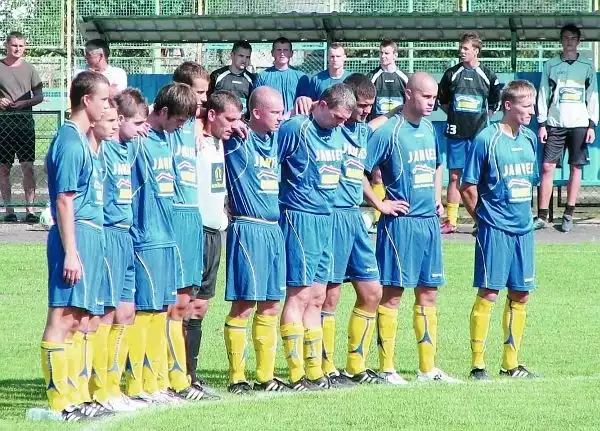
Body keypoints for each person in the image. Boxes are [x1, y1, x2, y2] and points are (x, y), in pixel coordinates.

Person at [363, 72, 460, 383]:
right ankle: (387, 368)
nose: (431, 103)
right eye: (426, 97)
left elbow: (437, 165)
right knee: (392, 295)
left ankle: (427, 369)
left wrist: (437, 198)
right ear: (408, 94)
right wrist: (380, 205)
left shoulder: (430, 129)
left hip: (428, 224)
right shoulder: (388, 131)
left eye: (434, 98)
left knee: (429, 293)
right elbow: (359, 171)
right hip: (399, 225)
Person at [126, 83, 203, 402]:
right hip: (144, 237)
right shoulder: (139, 141)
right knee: (144, 311)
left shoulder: (170, 139)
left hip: (167, 236)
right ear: (163, 112)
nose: (182, 128)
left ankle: (156, 382)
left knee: (161, 311)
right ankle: (135, 384)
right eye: (179, 121)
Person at [278, 83, 356, 391]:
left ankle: (314, 371)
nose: (340, 123)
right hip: (299, 218)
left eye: (344, 119)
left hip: (327, 219)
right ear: (321, 105)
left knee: (318, 296)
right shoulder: (296, 129)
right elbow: (272, 164)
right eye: (336, 116)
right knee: (298, 294)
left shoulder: (338, 132)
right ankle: (296, 372)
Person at [41, 71, 110, 421]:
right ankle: (58, 403)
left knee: (80, 318)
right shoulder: (69, 140)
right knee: (62, 317)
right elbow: (64, 201)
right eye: (104, 99)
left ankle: (76, 397)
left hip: (90, 235)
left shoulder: (84, 140)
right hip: (76, 235)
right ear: (86, 100)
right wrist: (71, 251)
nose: (107, 105)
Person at [460, 80, 539, 380]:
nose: (531, 111)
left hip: (523, 229)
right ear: (508, 106)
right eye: (526, 106)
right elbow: (467, 187)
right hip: (495, 230)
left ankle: (511, 364)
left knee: (521, 294)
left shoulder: (530, 139)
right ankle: (478, 364)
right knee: (489, 293)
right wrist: (482, 219)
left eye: (532, 105)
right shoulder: (486, 139)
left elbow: (528, 182)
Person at [222, 86, 289, 394]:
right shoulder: (238, 140)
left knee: (272, 304)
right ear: (257, 113)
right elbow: (206, 119)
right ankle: (237, 377)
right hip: (248, 229)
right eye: (275, 112)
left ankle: (265, 376)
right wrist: (231, 124)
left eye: (282, 112)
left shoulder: (276, 140)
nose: (280, 118)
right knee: (245, 304)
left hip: (274, 230)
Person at [320, 74, 384, 385]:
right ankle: (325, 366)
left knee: (372, 291)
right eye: (360, 106)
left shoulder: (362, 131)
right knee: (329, 297)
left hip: (355, 219)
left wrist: (378, 203)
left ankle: (355, 365)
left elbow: (358, 173)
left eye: (370, 107)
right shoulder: (328, 130)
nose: (364, 112)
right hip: (331, 217)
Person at [166, 62, 218, 399]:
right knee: (177, 304)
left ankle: (191, 374)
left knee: (200, 306)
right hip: (183, 227)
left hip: (212, 227)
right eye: (199, 93)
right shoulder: (174, 132)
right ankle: (171, 376)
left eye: (206, 93)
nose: (204, 100)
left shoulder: (208, 131)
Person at [95, 89, 149, 412]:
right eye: (113, 121)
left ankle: (115, 385)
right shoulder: (101, 150)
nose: (117, 127)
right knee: (105, 313)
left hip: (126, 236)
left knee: (127, 312)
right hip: (107, 235)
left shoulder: (127, 150)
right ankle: (99, 385)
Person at [187, 90, 242, 391]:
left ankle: (190, 374)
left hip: (214, 234)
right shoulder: (195, 139)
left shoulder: (222, 142)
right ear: (210, 115)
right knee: (184, 304)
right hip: (194, 233)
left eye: (237, 118)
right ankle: (177, 375)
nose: (234, 125)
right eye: (229, 119)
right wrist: (195, 125)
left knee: (201, 307)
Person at [534, 24, 598, 232]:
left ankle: (568, 213)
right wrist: (542, 123)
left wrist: (591, 125)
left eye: (573, 38)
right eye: (565, 38)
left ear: (579, 41)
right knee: (547, 167)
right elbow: (543, 93)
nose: (569, 41)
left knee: (575, 167)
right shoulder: (551, 65)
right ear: (561, 41)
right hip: (555, 124)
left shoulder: (586, 66)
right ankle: (542, 215)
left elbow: (592, 96)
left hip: (579, 124)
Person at [438, 32, 501, 234]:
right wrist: (456, 116)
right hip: (456, 133)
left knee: (480, 178)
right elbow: (444, 101)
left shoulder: (488, 76)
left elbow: (494, 103)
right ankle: (452, 221)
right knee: (455, 176)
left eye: (466, 48)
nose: (461, 51)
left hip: (479, 135)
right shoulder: (451, 74)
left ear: (476, 50)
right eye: (461, 48)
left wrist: (482, 120)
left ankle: (480, 219)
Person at [0, 31, 43, 222]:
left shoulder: (31, 69)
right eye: (14, 45)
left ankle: (31, 210)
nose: (17, 49)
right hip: (3, 125)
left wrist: (25, 104)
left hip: (25, 125)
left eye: (21, 46)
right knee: (3, 168)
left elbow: (39, 96)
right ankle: (9, 211)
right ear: (6, 46)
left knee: (28, 167)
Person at [253, 37, 306, 116]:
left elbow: (305, 104)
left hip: (293, 122)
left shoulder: (301, 77)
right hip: (269, 123)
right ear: (272, 53)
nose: (282, 53)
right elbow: (256, 102)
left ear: (291, 53)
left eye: (285, 50)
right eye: (278, 50)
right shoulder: (263, 76)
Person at [294, 43, 351, 115]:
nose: (335, 59)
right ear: (327, 58)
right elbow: (310, 104)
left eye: (338, 56)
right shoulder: (317, 79)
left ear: (344, 57)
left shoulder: (351, 78)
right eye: (332, 56)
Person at [209, 41, 255, 114]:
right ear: (232, 55)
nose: (244, 60)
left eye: (247, 57)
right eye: (241, 56)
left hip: (243, 123)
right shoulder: (217, 75)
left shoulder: (253, 79)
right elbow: (207, 100)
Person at [368, 39, 409, 118]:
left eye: (386, 53)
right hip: (377, 124)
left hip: (399, 123)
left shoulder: (405, 77)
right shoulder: (371, 77)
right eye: (381, 53)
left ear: (395, 56)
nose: (383, 56)